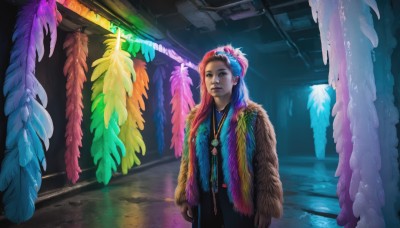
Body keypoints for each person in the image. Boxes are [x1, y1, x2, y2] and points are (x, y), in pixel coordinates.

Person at [175, 45, 283, 228]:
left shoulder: (253, 116)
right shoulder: (196, 118)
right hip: (204, 199)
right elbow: (187, 161)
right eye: (208, 75)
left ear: (234, 79)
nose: (214, 80)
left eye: (221, 74)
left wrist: (265, 208)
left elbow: (266, 165)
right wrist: (186, 196)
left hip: (238, 201)